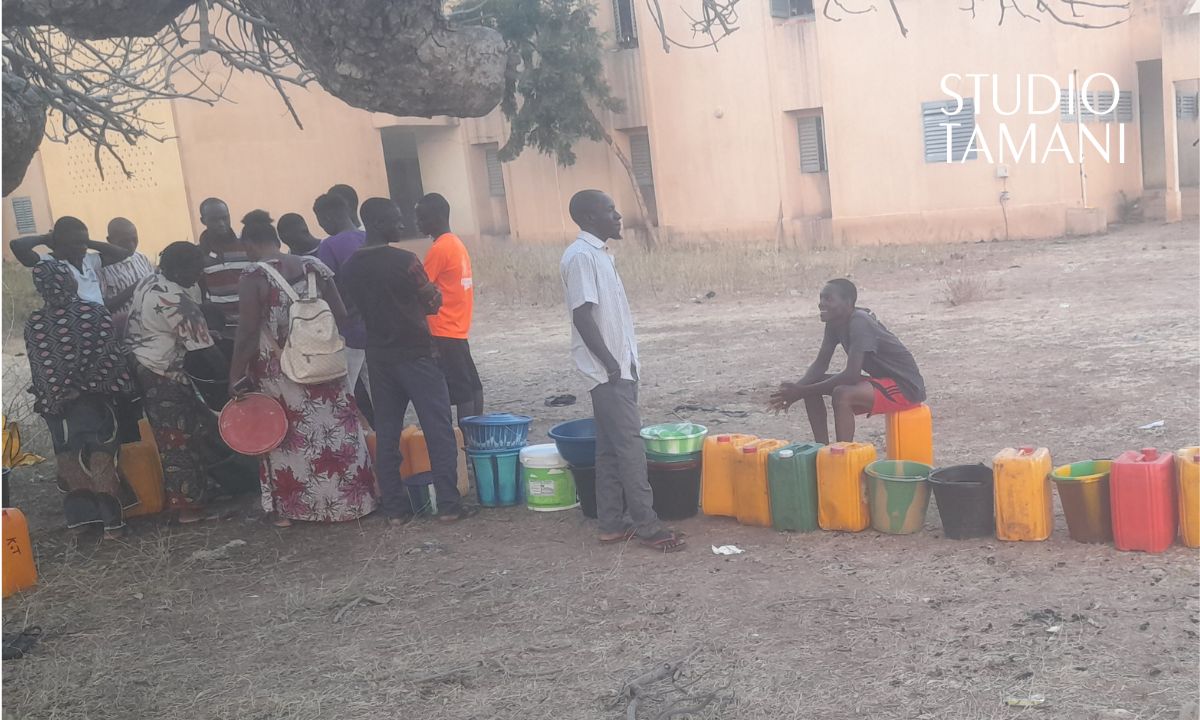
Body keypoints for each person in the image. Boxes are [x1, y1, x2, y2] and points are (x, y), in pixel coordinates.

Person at [227, 210, 377, 527]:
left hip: (281, 369)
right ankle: (352, 503)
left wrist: (235, 374)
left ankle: (295, 510)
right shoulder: (314, 267)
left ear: (249, 243)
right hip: (325, 361)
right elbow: (340, 314)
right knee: (337, 429)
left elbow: (248, 332)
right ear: (277, 239)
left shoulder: (254, 276)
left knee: (287, 435)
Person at [560, 190, 684, 552]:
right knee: (630, 447)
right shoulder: (581, 256)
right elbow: (582, 315)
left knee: (610, 450)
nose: (618, 216)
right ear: (589, 217)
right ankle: (648, 526)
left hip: (618, 368)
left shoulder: (599, 254)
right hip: (608, 372)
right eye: (609, 210)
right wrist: (610, 362)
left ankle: (611, 524)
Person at [341, 198, 477, 524]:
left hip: (379, 356)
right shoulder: (405, 261)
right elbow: (432, 301)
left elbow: (350, 309)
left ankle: (395, 509)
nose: (402, 225)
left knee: (387, 431)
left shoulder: (350, 266)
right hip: (417, 354)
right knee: (438, 428)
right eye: (396, 219)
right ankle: (448, 505)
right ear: (377, 223)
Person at [23, 260, 137, 538]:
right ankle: (112, 525)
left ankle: (80, 522)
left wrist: (54, 395)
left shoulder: (34, 323)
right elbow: (109, 356)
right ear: (69, 282)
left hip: (55, 406)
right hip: (92, 401)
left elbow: (39, 368)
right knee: (101, 456)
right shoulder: (93, 313)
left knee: (68, 458)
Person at [125, 242, 228, 523]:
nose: (199, 273)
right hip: (163, 372)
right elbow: (207, 352)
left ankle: (202, 490)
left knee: (192, 429)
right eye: (195, 269)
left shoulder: (150, 281)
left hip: (143, 363)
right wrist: (230, 380)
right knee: (178, 439)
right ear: (177, 269)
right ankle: (187, 508)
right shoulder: (177, 302)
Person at [768, 279, 927, 443]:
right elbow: (820, 364)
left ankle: (842, 453)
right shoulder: (834, 322)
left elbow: (851, 375)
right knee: (813, 383)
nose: (821, 303)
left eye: (828, 298)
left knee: (842, 393)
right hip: (882, 381)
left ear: (848, 302)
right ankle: (821, 448)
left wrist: (801, 391)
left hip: (905, 387)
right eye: (821, 298)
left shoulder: (860, 322)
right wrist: (795, 389)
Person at [416, 193, 483, 423]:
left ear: (437, 218)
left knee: (461, 390)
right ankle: (478, 433)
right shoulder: (456, 244)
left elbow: (420, 287)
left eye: (422, 218)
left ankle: (468, 437)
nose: (418, 223)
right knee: (472, 384)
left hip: (442, 328)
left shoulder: (439, 249)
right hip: (458, 327)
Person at [313, 193, 370, 395]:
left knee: (343, 391)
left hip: (348, 329)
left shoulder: (328, 245)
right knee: (380, 390)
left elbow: (325, 289)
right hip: (377, 329)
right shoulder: (369, 237)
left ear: (327, 218)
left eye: (321, 223)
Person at [9, 216, 133, 305]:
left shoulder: (88, 260)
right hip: (75, 325)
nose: (83, 247)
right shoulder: (48, 263)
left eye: (85, 243)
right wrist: (45, 238)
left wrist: (87, 241)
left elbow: (122, 253)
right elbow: (17, 246)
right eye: (76, 243)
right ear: (61, 242)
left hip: (100, 320)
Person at [196, 197, 251, 345]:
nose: (221, 223)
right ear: (203, 221)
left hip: (252, 327)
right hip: (222, 333)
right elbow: (201, 294)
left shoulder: (247, 246)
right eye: (214, 220)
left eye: (225, 218)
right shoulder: (199, 253)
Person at [99, 217, 155, 338]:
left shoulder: (141, 258)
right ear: (109, 240)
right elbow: (103, 308)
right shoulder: (100, 267)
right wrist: (135, 288)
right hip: (122, 333)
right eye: (124, 241)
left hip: (151, 328)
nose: (131, 245)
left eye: (134, 239)